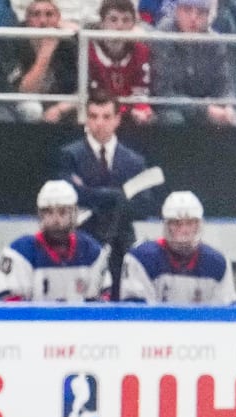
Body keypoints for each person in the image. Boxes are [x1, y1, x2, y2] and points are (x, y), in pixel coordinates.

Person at [57, 91, 155, 297]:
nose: (99, 123)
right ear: (86, 118)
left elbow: (144, 205)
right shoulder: (70, 155)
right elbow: (69, 194)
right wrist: (117, 195)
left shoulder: (133, 161)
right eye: (93, 116)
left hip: (122, 245)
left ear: (117, 119)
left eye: (106, 117)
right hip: (83, 243)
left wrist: (90, 194)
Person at [0, 179, 109, 301]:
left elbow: (102, 305)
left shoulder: (91, 252)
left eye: (62, 212)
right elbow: (10, 308)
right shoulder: (20, 253)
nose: (56, 220)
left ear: (75, 214)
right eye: (49, 212)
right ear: (40, 215)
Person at [118, 191, 232, 304]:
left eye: (190, 223)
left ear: (199, 225)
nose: (184, 230)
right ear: (166, 225)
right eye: (176, 223)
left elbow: (225, 315)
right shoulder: (142, 258)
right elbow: (137, 314)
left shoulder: (217, 263)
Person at [150, 0, 236, 127]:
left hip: (206, 107)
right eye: (187, 10)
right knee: (174, 120)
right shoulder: (163, 35)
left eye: (201, 13)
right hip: (170, 106)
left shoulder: (216, 42)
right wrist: (205, 110)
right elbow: (162, 92)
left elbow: (224, 84)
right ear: (177, 11)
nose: (193, 18)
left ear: (208, 16)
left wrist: (228, 106)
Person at [87, 0, 152, 124]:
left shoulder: (141, 50)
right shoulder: (89, 50)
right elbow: (91, 91)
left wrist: (140, 109)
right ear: (102, 23)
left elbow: (141, 90)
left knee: (148, 119)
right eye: (113, 20)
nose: (119, 26)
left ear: (133, 24)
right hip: (98, 112)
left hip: (131, 112)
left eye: (126, 20)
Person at [13, 0, 79, 122]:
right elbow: (25, 91)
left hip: (61, 103)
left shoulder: (69, 44)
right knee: (32, 109)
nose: (43, 21)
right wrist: (46, 53)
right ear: (27, 20)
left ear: (58, 19)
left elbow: (83, 86)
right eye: (36, 15)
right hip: (26, 104)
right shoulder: (16, 41)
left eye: (49, 14)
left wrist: (59, 109)